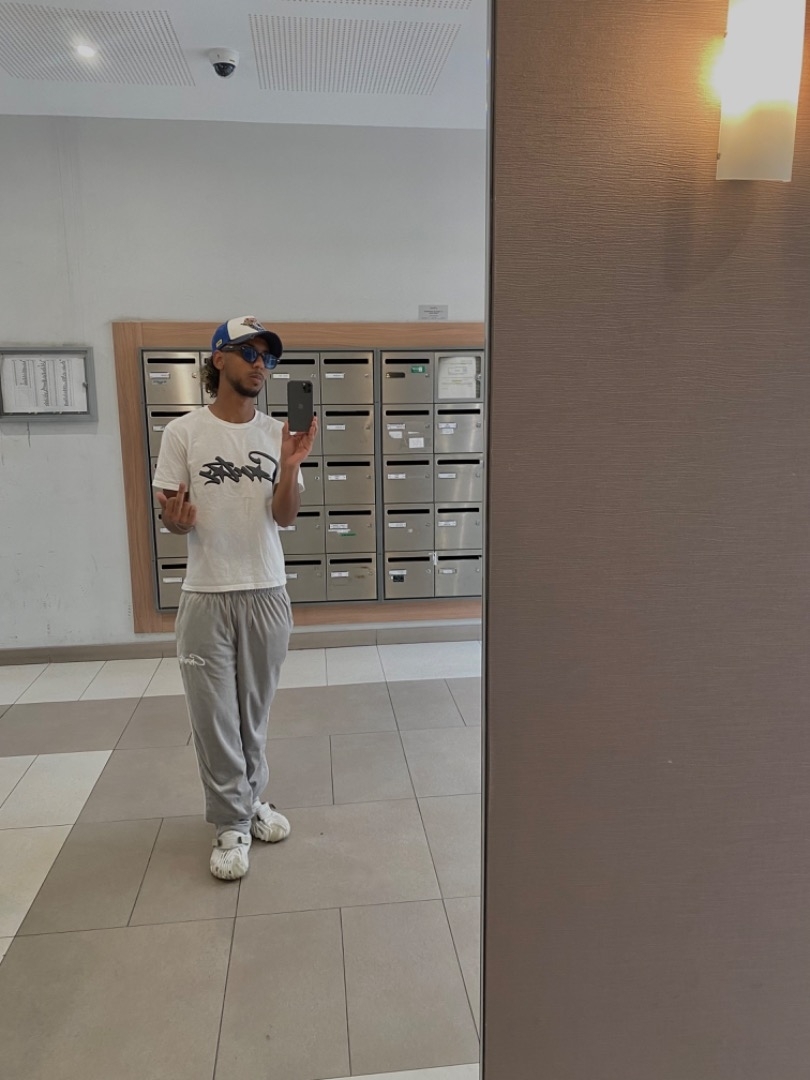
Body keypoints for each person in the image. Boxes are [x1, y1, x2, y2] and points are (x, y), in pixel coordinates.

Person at [153, 316, 317, 880]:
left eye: (268, 358)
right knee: (214, 718)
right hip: (206, 594)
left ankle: (249, 803)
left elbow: (285, 517)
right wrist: (177, 521)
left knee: (253, 715)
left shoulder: (276, 433)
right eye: (249, 353)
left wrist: (290, 466)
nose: (260, 365)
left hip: (267, 591)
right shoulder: (184, 432)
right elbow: (172, 515)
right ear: (218, 358)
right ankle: (230, 824)